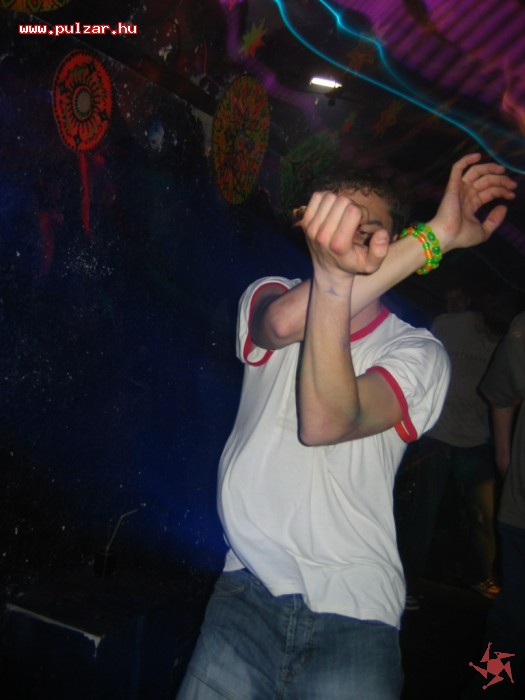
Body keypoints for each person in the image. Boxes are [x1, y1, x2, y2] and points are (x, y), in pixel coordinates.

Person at [176, 154, 516, 700]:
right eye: (336, 220)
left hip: (356, 614)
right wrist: (435, 238)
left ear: (392, 243)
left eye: (366, 230)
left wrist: (422, 242)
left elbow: (327, 420)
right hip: (245, 591)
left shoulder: (419, 351)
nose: (346, 241)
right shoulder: (269, 292)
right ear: (308, 225)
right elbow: (282, 324)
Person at [396, 284, 502, 611]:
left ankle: (479, 574)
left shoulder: (502, 337)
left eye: (459, 298)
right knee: (423, 515)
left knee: (483, 515)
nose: (453, 303)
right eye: (448, 299)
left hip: (476, 439)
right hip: (437, 436)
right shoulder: (445, 325)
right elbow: (423, 364)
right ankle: (405, 584)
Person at [475, 310, 525, 696]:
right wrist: (504, 454)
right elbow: (501, 392)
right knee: (513, 616)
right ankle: (491, 687)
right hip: (522, 511)